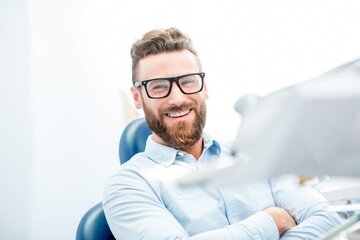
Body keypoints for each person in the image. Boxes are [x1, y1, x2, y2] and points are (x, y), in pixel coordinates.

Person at [103, 27, 341, 239]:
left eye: (188, 81)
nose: (177, 99)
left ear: (204, 87)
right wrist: (271, 222)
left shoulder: (256, 155)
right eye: (159, 87)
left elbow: (327, 220)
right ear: (137, 97)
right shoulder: (127, 185)